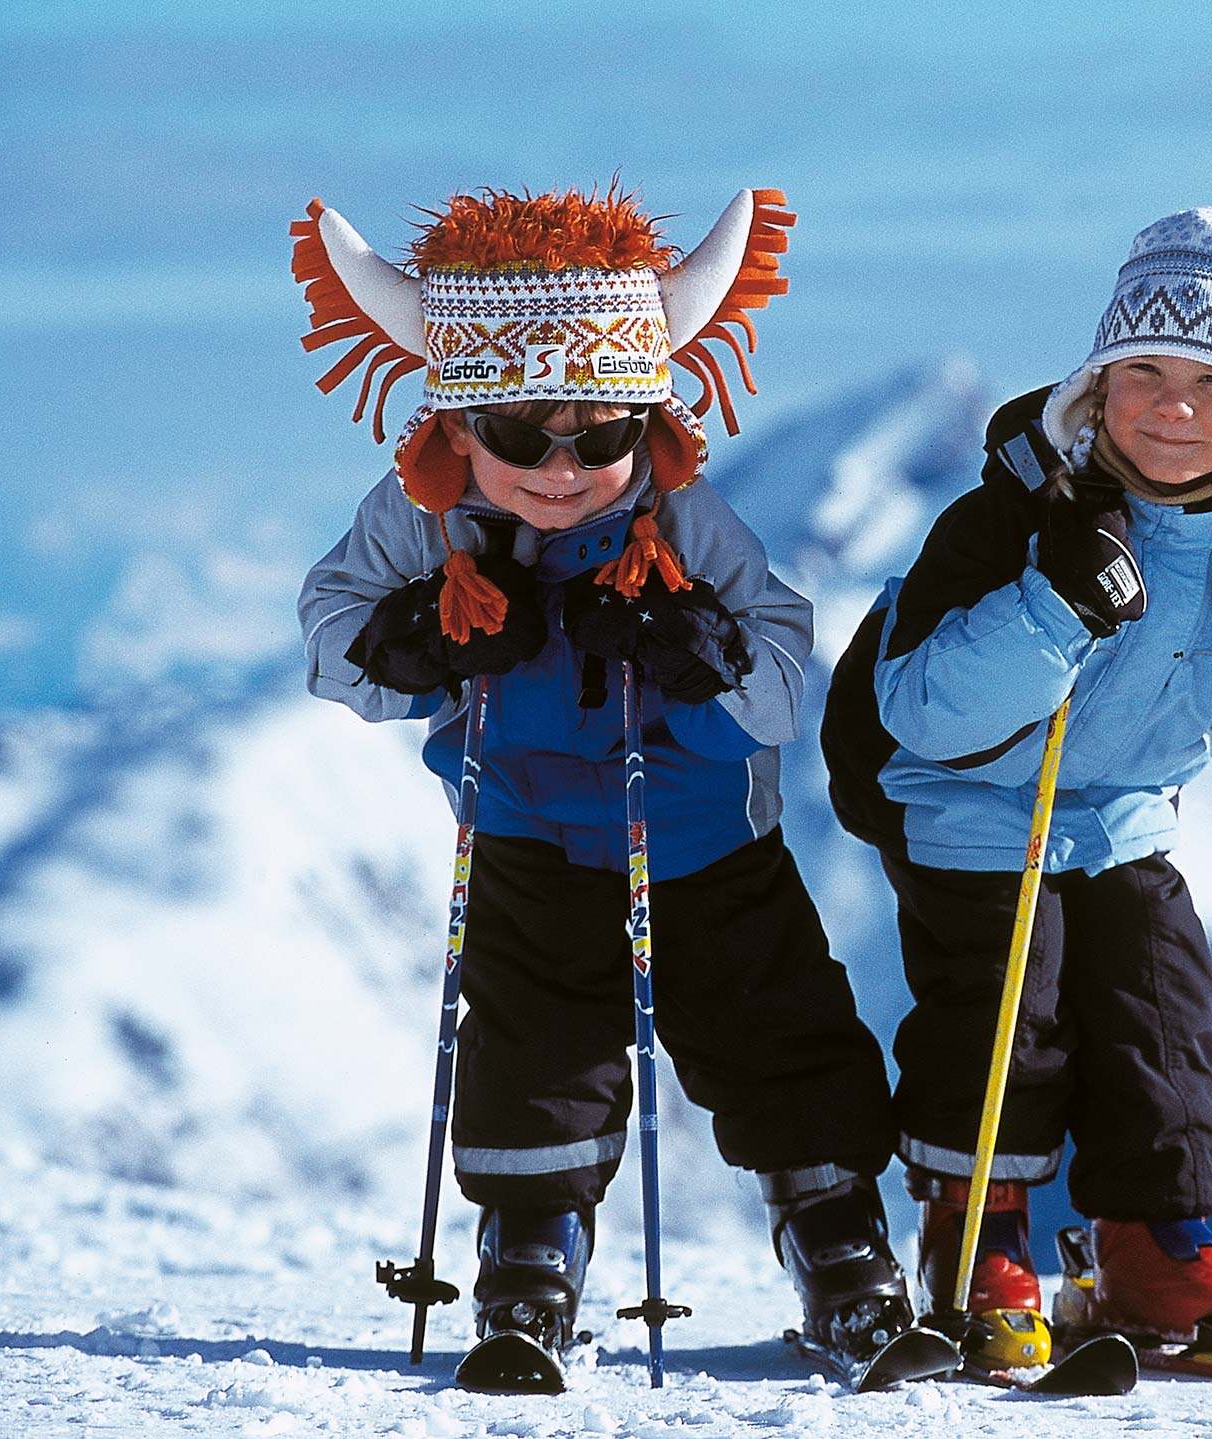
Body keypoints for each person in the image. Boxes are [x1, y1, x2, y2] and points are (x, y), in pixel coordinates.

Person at [291, 184, 910, 1364]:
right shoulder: (422, 518)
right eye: (524, 434)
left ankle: (838, 1240)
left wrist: (705, 652)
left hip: (707, 844)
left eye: (604, 431)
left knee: (776, 1036)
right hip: (523, 835)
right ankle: (529, 1251)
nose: (564, 468)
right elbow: (333, 638)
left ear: (648, 421)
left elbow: (782, 680)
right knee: (534, 1044)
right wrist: (421, 635)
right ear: (458, 425)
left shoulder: (683, 518)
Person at [822, 207, 1212, 1368]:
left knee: (1162, 1012)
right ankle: (975, 1233)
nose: (1171, 405)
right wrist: (1058, 606)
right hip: (974, 809)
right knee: (1000, 1011)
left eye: (1211, 380)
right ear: (1096, 383)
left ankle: (1150, 1240)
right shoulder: (1012, 518)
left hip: (1129, 812)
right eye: (1141, 369)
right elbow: (924, 707)